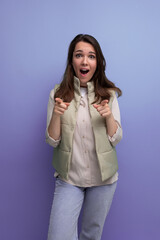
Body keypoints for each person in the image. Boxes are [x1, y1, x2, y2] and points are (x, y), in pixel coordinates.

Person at [45, 34, 122, 240]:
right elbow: (53, 141)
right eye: (79, 55)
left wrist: (108, 118)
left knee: (91, 235)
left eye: (91, 56)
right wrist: (56, 115)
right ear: (72, 60)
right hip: (70, 178)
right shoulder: (58, 94)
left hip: (103, 179)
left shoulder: (108, 95)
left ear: (98, 62)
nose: (85, 61)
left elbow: (116, 139)